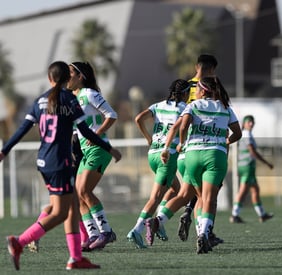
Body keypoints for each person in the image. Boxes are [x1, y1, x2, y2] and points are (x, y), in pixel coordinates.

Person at [2, 61, 122, 270]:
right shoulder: (69, 100)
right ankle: (19, 241)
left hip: (43, 161)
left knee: (73, 204)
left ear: (49, 78)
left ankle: (76, 257)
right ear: (68, 78)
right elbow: (85, 130)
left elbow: (22, 128)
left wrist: (4, 150)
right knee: (60, 212)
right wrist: (108, 148)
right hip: (60, 161)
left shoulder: (40, 100)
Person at [149, 76, 242, 254]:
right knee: (207, 199)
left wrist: (182, 143)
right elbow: (237, 133)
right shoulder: (225, 107)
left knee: (186, 195)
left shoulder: (193, 105)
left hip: (191, 157)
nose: (195, 93)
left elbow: (182, 127)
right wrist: (226, 142)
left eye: (196, 90)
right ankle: (203, 235)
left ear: (202, 91)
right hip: (215, 155)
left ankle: (159, 220)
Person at [126, 79, 190, 249]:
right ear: (184, 93)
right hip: (167, 156)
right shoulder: (184, 109)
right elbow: (181, 129)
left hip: (153, 154)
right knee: (155, 198)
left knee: (176, 189)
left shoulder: (158, 105)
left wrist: (149, 138)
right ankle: (136, 230)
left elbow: (139, 118)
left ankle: (159, 223)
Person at [67, 62, 118, 251]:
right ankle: (93, 235)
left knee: (85, 191)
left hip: (98, 149)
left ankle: (106, 232)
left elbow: (112, 115)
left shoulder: (90, 94)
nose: (67, 77)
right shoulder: (74, 99)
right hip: (86, 151)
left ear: (80, 76)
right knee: (79, 195)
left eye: (70, 73)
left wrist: (96, 135)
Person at [177, 54, 221, 243]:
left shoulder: (186, 86)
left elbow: (179, 118)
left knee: (193, 192)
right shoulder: (212, 87)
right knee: (209, 194)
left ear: (197, 66)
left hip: (186, 148)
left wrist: (177, 142)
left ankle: (190, 217)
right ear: (212, 70)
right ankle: (205, 232)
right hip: (210, 145)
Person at [230, 115, 274, 223]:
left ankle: (262, 214)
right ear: (244, 124)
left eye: (252, 122)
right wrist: (267, 163)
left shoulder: (246, 134)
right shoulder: (246, 134)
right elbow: (252, 151)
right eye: (249, 122)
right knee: (243, 190)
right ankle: (234, 215)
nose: (251, 124)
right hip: (247, 166)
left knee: (255, 190)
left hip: (248, 166)